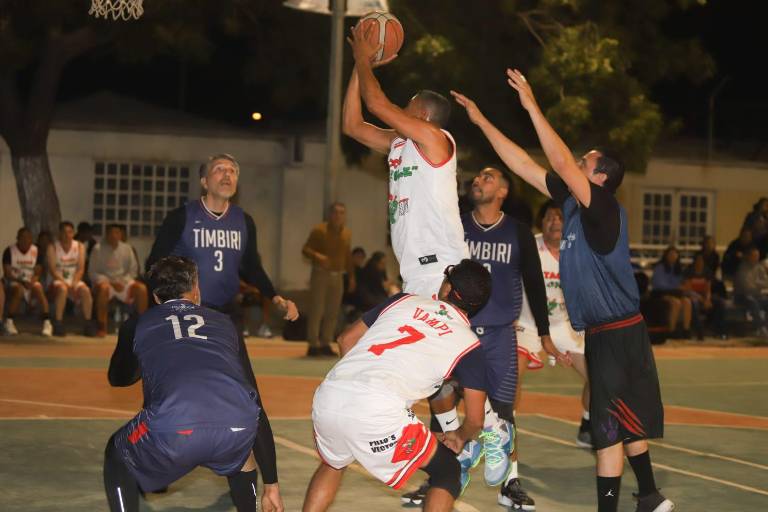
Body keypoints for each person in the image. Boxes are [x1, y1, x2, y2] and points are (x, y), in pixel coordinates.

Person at [452, 68, 672, 512]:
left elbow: (558, 163)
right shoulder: (573, 205)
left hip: (618, 331)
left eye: (585, 162)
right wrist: (480, 120)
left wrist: (531, 103)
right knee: (624, 421)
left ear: (601, 177)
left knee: (607, 431)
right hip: (607, 333)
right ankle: (648, 495)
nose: (575, 164)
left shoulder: (602, 207)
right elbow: (523, 164)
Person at [145, 153, 297, 492]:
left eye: (232, 171)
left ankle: (248, 472)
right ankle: (156, 463)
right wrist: (159, 309)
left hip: (224, 318)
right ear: (204, 181)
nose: (226, 175)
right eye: (219, 170)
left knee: (245, 393)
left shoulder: (244, 221)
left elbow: (252, 266)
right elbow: (154, 263)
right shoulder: (182, 217)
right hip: (183, 316)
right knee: (166, 388)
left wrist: (274, 296)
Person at [403, 167, 550, 510]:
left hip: (499, 335)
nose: (478, 181)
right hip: (456, 330)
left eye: (488, 177)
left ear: (503, 190)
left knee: (503, 413)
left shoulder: (518, 232)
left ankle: (509, 483)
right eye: (477, 178)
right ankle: (440, 476)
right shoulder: (455, 226)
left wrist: (544, 331)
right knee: (439, 400)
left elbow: (533, 282)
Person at [303, 259, 492, 512]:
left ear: (447, 289)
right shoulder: (469, 345)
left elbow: (345, 339)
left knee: (333, 463)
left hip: (330, 395)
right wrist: (459, 437)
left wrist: (356, 386)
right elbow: (476, 419)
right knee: (448, 471)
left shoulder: (404, 300)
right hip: (377, 409)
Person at [103, 256, 284, 512]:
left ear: (155, 298)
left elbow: (118, 378)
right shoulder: (225, 323)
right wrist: (272, 486)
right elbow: (254, 402)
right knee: (242, 454)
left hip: (175, 428)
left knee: (117, 453)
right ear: (196, 291)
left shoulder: (139, 324)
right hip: (236, 426)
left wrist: (141, 355)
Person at [342, 23, 468, 298]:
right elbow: (352, 126)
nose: (399, 109)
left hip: (442, 270)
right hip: (414, 272)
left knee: (359, 339)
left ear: (422, 115)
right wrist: (358, 67)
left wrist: (364, 58)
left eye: (407, 106)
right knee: (350, 339)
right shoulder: (399, 143)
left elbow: (376, 105)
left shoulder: (436, 139)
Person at [516, 201, 592, 449]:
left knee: (599, 378)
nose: (555, 222)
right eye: (549, 218)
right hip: (528, 323)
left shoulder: (577, 252)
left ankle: (587, 425)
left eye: (559, 217)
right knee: (513, 376)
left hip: (563, 326)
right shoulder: (529, 247)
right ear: (542, 223)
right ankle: (507, 432)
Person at [302, 202, 354, 357]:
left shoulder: (347, 233)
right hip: (320, 274)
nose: (338, 215)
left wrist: (352, 277)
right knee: (317, 309)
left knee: (333, 311)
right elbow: (305, 249)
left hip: (337, 276)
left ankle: (325, 343)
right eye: (336, 212)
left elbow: (348, 256)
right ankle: (312, 344)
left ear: (344, 216)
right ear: (330, 215)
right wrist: (317, 255)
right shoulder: (319, 230)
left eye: (342, 213)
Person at [89, 224, 148, 337]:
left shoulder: (127, 248)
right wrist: (110, 282)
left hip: (123, 283)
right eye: (111, 233)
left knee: (142, 289)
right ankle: (102, 327)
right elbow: (93, 272)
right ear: (106, 235)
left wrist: (122, 281)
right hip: (106, 283)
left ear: (121, 235)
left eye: (117, 233)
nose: (114, 235)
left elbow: (133, 270)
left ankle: (142, 327)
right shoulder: (98, 248)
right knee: (103, 288)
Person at [46, 221, 95, 336]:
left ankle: (88, 323)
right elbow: (53, 271)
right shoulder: (52, 247)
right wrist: (66, 284)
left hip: (74, 279)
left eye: (69, 232)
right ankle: (58, 322)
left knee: (85, 290)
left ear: (73, 233)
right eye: (63, 232)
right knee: (63, 289)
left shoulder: (79, 246)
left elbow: (81, 269)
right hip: (57, 280)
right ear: (59, 233)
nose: (66, 235)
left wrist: (74, 283)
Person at [2, 227, 52, 336]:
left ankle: (47, 322)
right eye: (23, 238)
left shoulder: (36, 251)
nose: (26, 240)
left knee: (38, 288)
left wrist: (32, 281)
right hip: (14, 281)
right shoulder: (9, 251)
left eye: (28, 238)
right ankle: (9, 321)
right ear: (18, 238)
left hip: (30, 281)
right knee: (19, 290)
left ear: (31, 239)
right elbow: (7, 273)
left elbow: (38, 272)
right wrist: (21, 281)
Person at [650, 246, 694, 338]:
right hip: (660, 293)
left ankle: (686, 330)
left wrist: (683, 287)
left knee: (687, 302)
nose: (673, 256)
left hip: (675, 293)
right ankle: (671, 331)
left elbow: (682, 285)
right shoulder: (659, 268)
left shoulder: (679, 269)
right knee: (676, 303)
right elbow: (658, 285)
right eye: (671, 254)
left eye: (675, 254)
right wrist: (676, 287)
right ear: (666, 255)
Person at [683, 253, 727, 339]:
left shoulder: (707, 272)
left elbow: (708, 289)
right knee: (694, 304)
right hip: (692, 296)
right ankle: (699, 330)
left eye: (701, 261)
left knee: (721, 303)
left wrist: (707, 299)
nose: (700, 263)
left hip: (703, 296)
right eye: (698, 261)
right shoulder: (688, 272)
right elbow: (688, 290)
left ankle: (718, 329)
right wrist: (701, 299)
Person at [734, 247, 768, 336]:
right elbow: (746, 285)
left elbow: (766, 282)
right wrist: (758, 284)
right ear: (749, 256)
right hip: (742, 296)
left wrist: (756, 283)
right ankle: (760, 327)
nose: (756, 257)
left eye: (757, 256)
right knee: (752, 302)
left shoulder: (760, 267)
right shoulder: (742, 267)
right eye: (754, 255)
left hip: (757, 295)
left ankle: (765, 326)